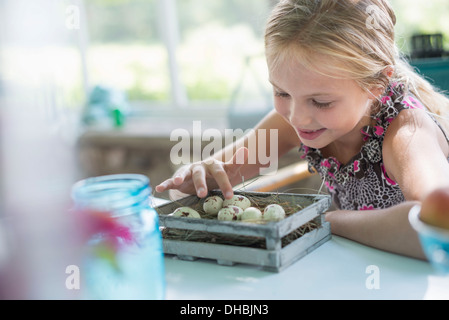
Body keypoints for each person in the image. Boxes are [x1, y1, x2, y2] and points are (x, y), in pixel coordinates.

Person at [156, 0, 449, 260]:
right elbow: (209, 183)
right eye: (281, 93)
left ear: (376, 85)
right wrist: (197, 178)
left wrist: (322, 220)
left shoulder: (407, 134)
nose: (297, 118)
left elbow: (439, 227)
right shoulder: (298, 118)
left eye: (321, 102)